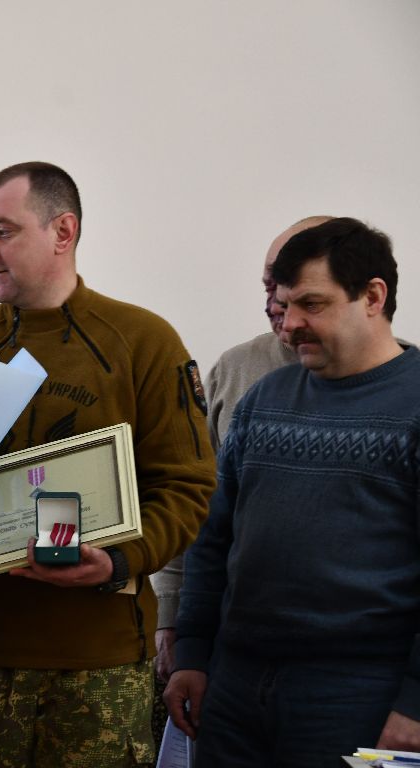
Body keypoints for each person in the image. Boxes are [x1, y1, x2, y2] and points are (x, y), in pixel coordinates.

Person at [0, 162, 217, 767]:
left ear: (63, 231)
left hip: (98, 663)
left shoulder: (143, 342)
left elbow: (187, 487)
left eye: (3, 230)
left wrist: (119, 560)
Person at [164, 217, 420, 766]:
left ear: (373, 296)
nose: (291, 322)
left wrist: (416, 704)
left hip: (359, 696)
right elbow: (213, 537)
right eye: (284, 303)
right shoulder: (264, 397)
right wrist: (192, 653)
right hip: (234, 687)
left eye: (312, 304)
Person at [148, 216, 332, 742]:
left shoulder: (400, 385)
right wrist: (172, 616)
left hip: (348, 666)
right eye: (269, 284)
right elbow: (196, 506)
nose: (276, 301)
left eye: (292, 286)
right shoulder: (236, 370)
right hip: (234, 650)